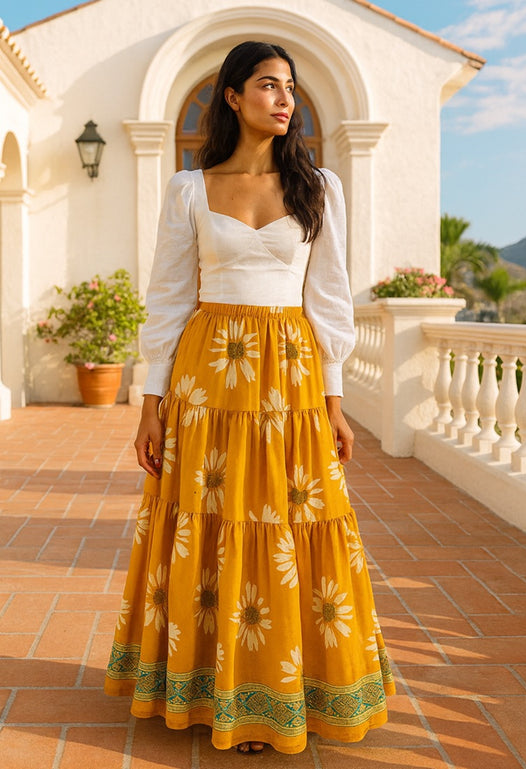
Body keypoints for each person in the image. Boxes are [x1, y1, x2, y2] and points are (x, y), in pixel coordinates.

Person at [104, 40, 395, 755]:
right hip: (207, 378)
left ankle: (278, 690)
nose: (284, 98)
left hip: (291, 380)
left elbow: (328, 299)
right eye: (267, 85)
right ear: (232, 97)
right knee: (210, 523)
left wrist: (333, 402)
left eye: (289, 87)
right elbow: (169, 298)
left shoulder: (318, 186)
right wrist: (150, 402)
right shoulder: (189, 188)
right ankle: (211, 689)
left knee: (291, 526)